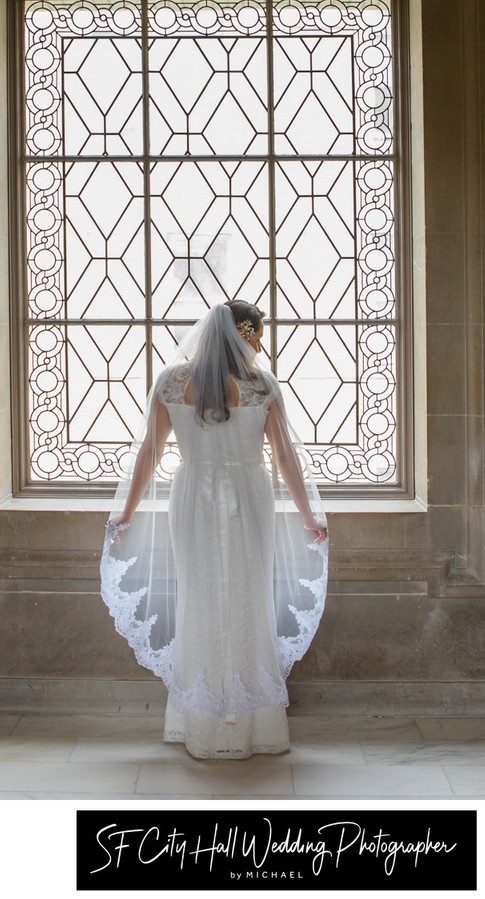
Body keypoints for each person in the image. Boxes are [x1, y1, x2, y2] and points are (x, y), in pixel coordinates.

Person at [100, 301, 328, 759]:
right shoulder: (261, 385)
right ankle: (248, 724)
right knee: (247, 595)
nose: (259, 348)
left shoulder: (171, 381)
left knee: (200, 596)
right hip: (247, 493)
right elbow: (285, 458)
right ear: (248, 337)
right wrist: (309, 516)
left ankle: (201, 722)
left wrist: (125, 511)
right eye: (257, 338)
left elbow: (151, 453)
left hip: (193, 496)